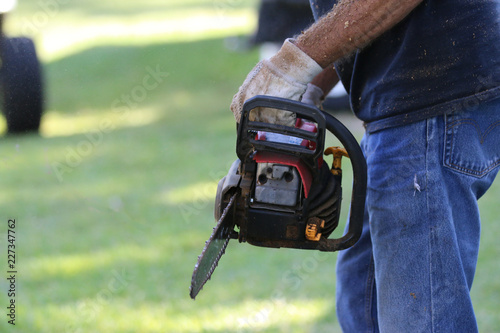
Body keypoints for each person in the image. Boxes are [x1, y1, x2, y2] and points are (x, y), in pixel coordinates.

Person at [229, 0, 500, 331]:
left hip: (425, 104)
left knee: (417, 321)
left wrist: (291, 64)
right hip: (405, 104)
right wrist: (311, 85)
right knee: (361, 299)